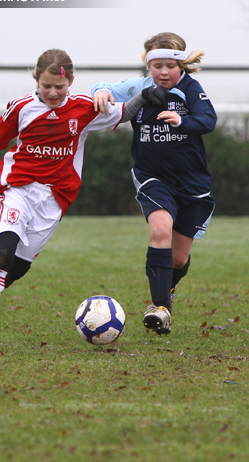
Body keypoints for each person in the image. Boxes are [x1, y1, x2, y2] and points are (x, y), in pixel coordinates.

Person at [0, 48, 166, 346]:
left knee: (19, 266)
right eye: (46, 85)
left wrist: (145, 96)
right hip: (18, 188)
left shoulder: (84, 107)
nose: (52, 92)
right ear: (36, 80)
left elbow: (123, 113)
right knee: (4, 249)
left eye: (59, 87)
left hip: (55, 198)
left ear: (71, 82)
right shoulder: (20, 108)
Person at [91, 32, 217, 336]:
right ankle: (160, 308)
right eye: (156, 65)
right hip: (152, 177)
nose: (163, 72)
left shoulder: (191, 89)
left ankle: (166, 291)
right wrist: (102, 92)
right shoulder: (141, 88)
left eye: (170, 66)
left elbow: (209, 120)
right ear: (148, 65)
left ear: (182, 65)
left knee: (178, 257)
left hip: (191, 182)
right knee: (160, 229)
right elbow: (105, 88)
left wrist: (181, 122)